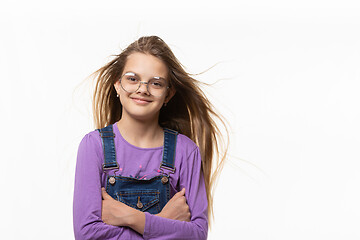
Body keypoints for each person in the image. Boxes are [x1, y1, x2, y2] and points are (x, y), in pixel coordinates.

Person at [73, 36, 227, 240]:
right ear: (117, 85)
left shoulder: (185, 151)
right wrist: (163, 219)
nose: (143, 89)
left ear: (168, 94)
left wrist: (131, 217)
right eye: (132, 79)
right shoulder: (94, 146)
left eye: (156, 83)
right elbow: (87, 235)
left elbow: (197, 235)